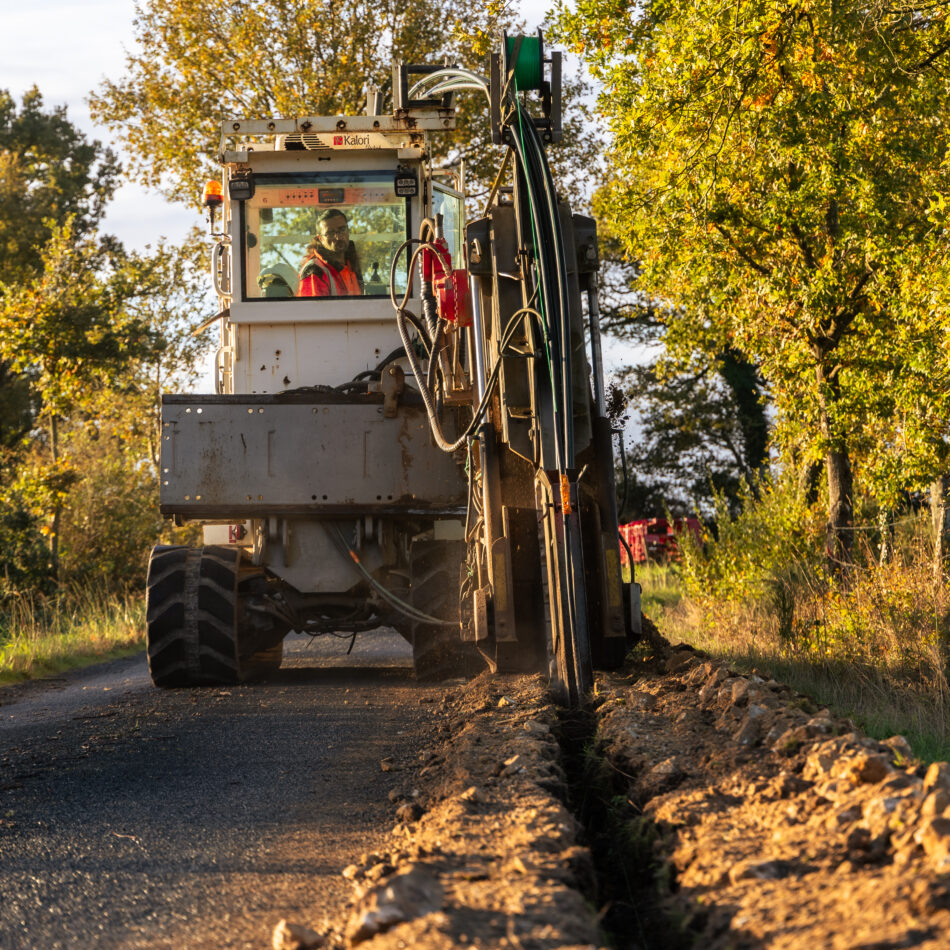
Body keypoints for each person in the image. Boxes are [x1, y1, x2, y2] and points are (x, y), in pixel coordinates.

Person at [298, 209, 364, 297]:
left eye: (342, 229)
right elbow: (313, 306)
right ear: (320, 238)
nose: (338, 237)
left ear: (348, 231)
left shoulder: (352, 265)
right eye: (330, 233)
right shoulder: (315, 271)